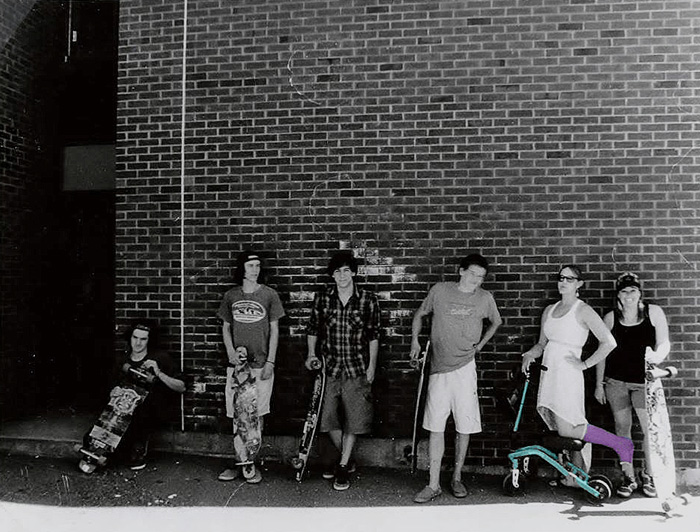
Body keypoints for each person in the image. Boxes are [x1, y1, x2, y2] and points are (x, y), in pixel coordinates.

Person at [521, 265, 636, 493]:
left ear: (579, 284)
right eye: (561, 278)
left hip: (568, 376)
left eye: (569, 278)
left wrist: (584, 365)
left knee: (570, 427)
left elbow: (609, 342)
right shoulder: (550, 310)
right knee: (562, 429)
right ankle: (573, 475)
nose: (563, 282)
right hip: (549, 373)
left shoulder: (582, 310)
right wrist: (529, 354)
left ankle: (621, 444)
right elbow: (542, 344)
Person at [410, 253, 503, 503]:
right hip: (439, 369)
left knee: (464, 425)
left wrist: (480, 345)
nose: (476, 280)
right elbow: (420, 314)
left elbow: (496, 321)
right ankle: (433, 484)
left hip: (465, 368)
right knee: (436, 426)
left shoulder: (485, 298)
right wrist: (415, 343)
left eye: (481, 277)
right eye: (472, 274)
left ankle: (457, 477)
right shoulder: (440, 291)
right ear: (461, 271)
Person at [305, 250, 380, 491]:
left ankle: (343, 465)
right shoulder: (324, 298)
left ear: (354, 272)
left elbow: (373, 336)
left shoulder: (368, 299)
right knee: (326, 419)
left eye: (347, 270)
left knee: (354, 420)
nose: (342, 275)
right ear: (332, 275)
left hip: (356, 367)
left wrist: (372, 366)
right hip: (330, 368)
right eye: (337, 271)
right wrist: (311, 354)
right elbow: (313, 328)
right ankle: (347, 459)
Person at [596, 272, 671, 498]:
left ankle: (649, 475)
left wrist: (658, 357)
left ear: (640, 293)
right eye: (624, 291)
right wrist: (599, 384)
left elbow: (664, 342)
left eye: (633, 291)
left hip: (644, 384)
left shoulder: (653, 313)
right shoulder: (610, 318)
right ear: (618, 295)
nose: (629, 295)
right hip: (616, 383)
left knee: (649, 429)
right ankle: (628, 477)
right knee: (622, 428)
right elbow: (602, 353)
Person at [217, 251, 285, 484]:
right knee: (237, 415)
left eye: (257, 266)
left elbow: (275, 330)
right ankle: (239, 461)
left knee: (256, 416)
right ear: (242, 268)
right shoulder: (231, 295)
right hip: (238, 367)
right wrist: (230, 353)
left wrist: (271, 362)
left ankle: (251, 463)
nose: (255, 270)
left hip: (261, 366)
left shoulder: (269, 295)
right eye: (250, 265)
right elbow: (226, 327)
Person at [116, 320, 186, 470]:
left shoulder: (160, 358)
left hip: (151, 409)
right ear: (130, 338)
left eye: (143, 339)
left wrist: (159, 372)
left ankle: (137, 450)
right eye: (135, 338)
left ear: (149, 340)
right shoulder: (122, 360)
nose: (138, 343)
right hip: (123, 408)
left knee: (141, 410)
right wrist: (113, 391)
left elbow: (181, 387)